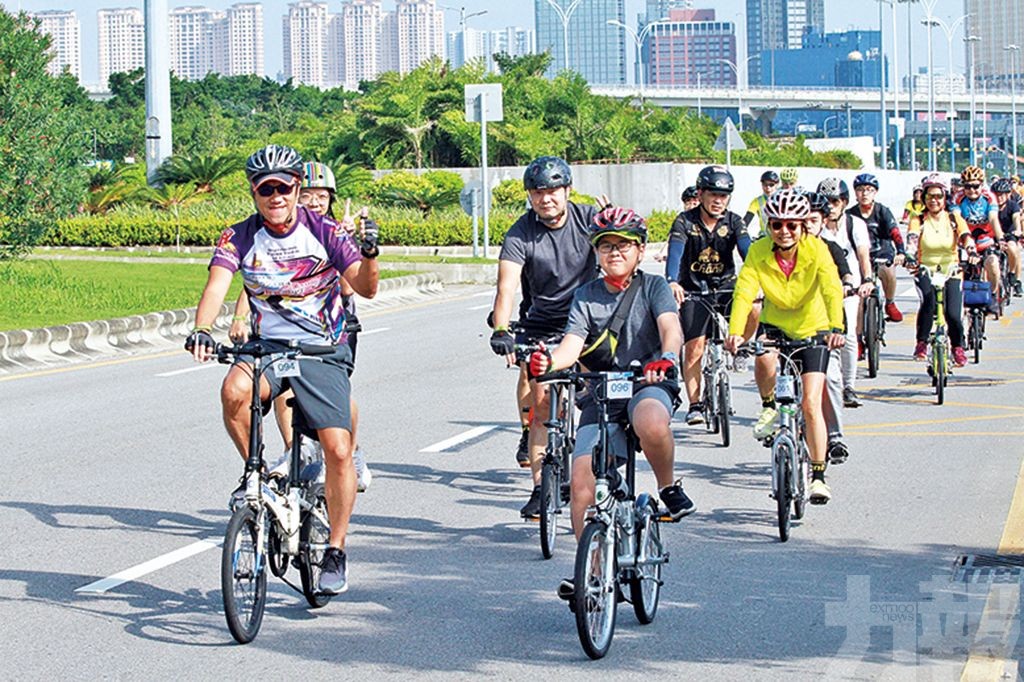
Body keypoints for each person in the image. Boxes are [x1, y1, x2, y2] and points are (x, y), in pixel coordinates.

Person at [185, 144, 380, 595]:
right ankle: (258, 474)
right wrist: (200, 328)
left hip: (321, 348)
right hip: (268, 347)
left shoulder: (325, 230)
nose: (275, 197)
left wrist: (370, 254)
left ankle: (335, 548)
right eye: (265, 189)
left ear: (296, 189)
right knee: (234, 391)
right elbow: (217, 284)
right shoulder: (238, 236)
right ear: (254, 193)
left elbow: (366, 289)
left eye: (284, 188)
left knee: (337, 450)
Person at [526, 207, 692, 598]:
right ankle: (595, 573)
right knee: (583, 482)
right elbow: (571, 346)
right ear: (596, 253)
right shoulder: (586, 295)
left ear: (639, 250)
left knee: (651, 421)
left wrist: (665, 359)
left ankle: (668, 489)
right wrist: (548, 361)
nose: (613, 253)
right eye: (604, 247)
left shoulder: (654, 288)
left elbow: (671, 329)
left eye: (622, 245)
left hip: (648, 381)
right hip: (601, 391)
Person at [228, 160, 372, 493]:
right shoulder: (277, 230)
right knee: (283, 382)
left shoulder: (334, 232)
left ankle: (350, 452)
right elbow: (259, 280)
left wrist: (360, 252)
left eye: (322, 196)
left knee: (335, 391)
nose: (314, 202)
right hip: (285, 328)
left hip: (332, 325)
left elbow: (353, 285)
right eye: (308, 195)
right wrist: (239, 317)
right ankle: (296, 449)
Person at [489, 156, 601, 519]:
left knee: (596, 397)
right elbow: (506, 287)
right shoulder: (521, 233)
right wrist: (501, 329)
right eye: (538, 192)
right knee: (541, 406)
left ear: (567, 191)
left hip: (588, 321)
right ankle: (540, 488)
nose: (546, 199)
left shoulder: (588, 220)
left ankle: (597, 459)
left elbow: (621, 249)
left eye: (553, 190)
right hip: (540, 324)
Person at [726, 189, 845, 504]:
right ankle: (768, 406)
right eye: (777, 225)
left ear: (804, 225)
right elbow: (744, 291)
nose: (784, 232)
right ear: (768, 225)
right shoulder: (758, 250)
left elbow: (832, 288)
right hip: (775, 323)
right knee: (763, 355)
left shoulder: (817, 249)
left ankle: (818, 476)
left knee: (809, 404)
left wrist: (837, 327)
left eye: (792, 225)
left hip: (814, 327)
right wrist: (736, 333)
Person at [664, 165, 751, 425]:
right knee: (694, 348)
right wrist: (672, 281)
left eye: (723, 196)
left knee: (754, 308)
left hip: (725, 287)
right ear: (700, 194)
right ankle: (696, 404)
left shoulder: (734, 221)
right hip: (694, 290)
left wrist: (759, 280)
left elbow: (749, 253)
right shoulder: (684, 221)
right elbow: (675, 253)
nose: (718, 201)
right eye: (713, 194)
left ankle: (740, 347)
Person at [805, 191, 856, 464]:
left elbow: (846, 272)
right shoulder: (786, 250)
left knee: (831, 378)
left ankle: (835, 436)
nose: (807, 226)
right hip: (794, 327)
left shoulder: (830, 248)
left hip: (827, 328)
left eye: (813, 220)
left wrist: (848, 284)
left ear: (823, 222)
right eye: (804, 221)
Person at [906, 174, 973, 367]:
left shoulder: (954, 218)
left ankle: (957, 348)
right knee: (928, 302)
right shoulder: (918, 219)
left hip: (951, 269)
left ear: (945, 198)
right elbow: (912, 239)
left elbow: (966, 236)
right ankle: (921, 343)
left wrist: (971, 251)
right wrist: (909, 255)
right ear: (924, 198)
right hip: (925, 268)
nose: (934, 200)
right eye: (929, 196)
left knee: (952, 313)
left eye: (938, 196)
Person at [817, 177, 872, 409]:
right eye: (825, 201)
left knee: (848, 335)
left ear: (845, 202)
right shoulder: (813, 225)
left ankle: (848, 386)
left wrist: (867, 280)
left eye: (835, 201)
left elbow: (862, 255)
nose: (830, 206)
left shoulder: (855, 224)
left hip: (848, 288)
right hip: (818, 288)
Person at [846, 173, 907, 323]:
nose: (864, 193)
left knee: (887, 270)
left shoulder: (882, 211)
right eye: (860, 189)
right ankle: (858, 338)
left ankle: (890, 302)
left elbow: (895, 232)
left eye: (869, 189)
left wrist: (901, 252)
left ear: (875, 192)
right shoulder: (850, 214)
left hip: (881, 251)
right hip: (860, 254)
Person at [951, 165, 1006, 314]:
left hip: (985, 239)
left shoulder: (989, 198)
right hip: (966, 241)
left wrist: (1000, 238)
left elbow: (993, 219)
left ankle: (993, 295)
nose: (972, 190)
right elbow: (956, 219)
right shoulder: (958, 197)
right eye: (967, 186)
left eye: (975, 186)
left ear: (982, 185)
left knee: (992, 264)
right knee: (957, 270)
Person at [991, 177, 1023, 296]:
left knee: (1013, 249)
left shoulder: (1012, 206)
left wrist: (1018, 229)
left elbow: (1016, 218)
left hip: (1010, 235)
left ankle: (1012, 274)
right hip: (994, 235)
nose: (999, 198)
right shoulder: (991, 207)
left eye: (1002, 195)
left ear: (1008, 194)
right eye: (996, 195)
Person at [744, 170, 780, 239]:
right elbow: (747, 219)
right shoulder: (757, 201)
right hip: (765, 237)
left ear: (777, 185)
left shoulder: (782, 199)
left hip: (779, 236)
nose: (768, 188)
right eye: (765, 184)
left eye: (771, 185)